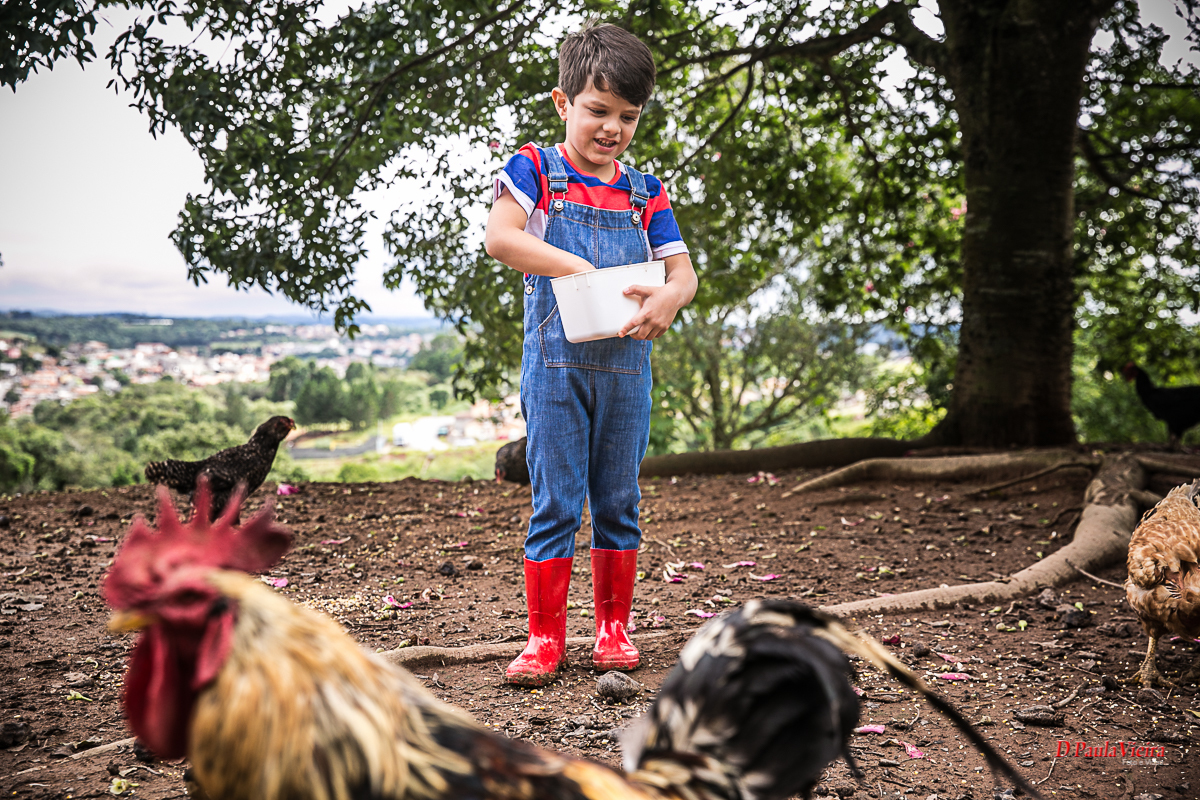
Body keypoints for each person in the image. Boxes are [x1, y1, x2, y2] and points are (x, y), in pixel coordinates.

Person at [484, 22, 697, 687]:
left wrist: (670, 300)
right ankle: (544, 639)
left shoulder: (645, 192)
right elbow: (501, 238)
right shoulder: (535, 170)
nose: (612, 127)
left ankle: (613, 628)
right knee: (555, 499)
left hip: (628, 368)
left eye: (627, 116)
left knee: (617, 497)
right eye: (598, 110)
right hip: (555, 368)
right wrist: (573, 265)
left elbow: (682, 274)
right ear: (562, 103)